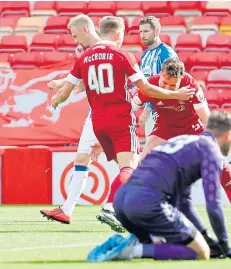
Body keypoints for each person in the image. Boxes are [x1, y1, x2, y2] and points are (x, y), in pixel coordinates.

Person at [49, 16, 195, 228]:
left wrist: (55, 101)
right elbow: (145, 89)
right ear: (118, 34)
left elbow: (64, 93)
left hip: (97, 122)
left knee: (128, 170)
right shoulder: (122, 55)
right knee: (131, 168)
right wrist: (175, 95)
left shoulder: (85, 57)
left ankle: (138, 207)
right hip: (120, 120)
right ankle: (111, 208)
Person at [86, 111, 231, 262]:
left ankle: (123, 241)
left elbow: (184, 203)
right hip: (146, 204)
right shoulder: (211, 150)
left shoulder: (184, 141)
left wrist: (207, 237)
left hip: (121, 202)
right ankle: (131, 250)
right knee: (201, 252)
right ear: (229, 135)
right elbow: (214, 204)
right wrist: (225, 245)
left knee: (166, 241)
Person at [131, 58, 231, 229]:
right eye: (164, 82)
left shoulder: (191, 86)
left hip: (191, 126)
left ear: (181, 81)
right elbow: (128, 107)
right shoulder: (149, 85)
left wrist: (212, 144)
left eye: (172, 86)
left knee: (219, 161)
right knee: (144, 158)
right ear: (161, 74)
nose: (166, 88)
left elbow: (206, 119)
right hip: (165, 127)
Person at [99, 16, 180, 226]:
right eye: (140, 31)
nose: (142, 35)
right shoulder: (145, 56)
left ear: (157, 31)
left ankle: (134, 205)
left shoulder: (166, 54)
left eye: (146, 31)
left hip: (164, 114)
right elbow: (143, 86)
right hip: (151, 114)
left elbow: (168, 85)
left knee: (149, 161)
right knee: (144, 162)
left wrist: (147, 109)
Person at [40, 14, 107, 226]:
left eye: (76, 35)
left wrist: (59, 95)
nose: (74, 40)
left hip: (113, 116)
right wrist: (62, 84)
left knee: (126, 163)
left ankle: (120, 208)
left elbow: (75, 85)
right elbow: (79, 83)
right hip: (94, 115)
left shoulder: (107, 50)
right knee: (81, 159)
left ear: (86, 29)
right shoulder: (87, 55)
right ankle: (66, 210)